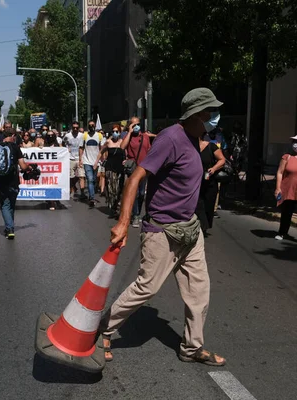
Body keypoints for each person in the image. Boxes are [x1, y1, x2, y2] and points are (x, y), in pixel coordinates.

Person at [100, 88, 227, 367]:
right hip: (162, 231)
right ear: (196, 114)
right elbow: (135, 179)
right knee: (147, 287)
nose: (214, 117)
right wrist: (123, 224)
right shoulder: (171, 139)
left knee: (199, 290)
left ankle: (192, 348)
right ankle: (104, 330)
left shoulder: (197, 139)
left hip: (190, 231)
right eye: (210, 113)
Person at [0, 130, 32, 239]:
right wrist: (29, 167)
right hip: (13, 180)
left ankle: (9, 227)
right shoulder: (15, 147)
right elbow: (23, 166)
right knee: (11, 204)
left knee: (4, 204)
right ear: (13, 136)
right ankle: (10, 227)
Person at [121, 117, 152, 227]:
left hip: (144, 167)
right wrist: (129, 132)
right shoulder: (128, 137)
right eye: (133, 125)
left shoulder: (145, 137)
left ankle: (138, 213)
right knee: (136, 192)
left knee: (142, 193)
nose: (136, 127)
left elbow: (149, 150)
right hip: (133, 168)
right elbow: (122, 146)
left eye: (137, 124)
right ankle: (135, 216)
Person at [195, 133, 225, 235]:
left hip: (209, 181)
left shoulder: (211, 146)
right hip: (195, 182)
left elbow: (222, 160)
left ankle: (205, 226)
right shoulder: (191, 147)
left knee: (208, 205)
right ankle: (199, 226)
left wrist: (213, 168)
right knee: (197, 204)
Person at [95, 125, 125, 218]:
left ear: (120, 132)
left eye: (116, 131)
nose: (115, 133)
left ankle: (118, 206)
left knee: (119, 189)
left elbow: (126, 152)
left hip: (120, 168)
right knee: (111, 189)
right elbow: (101, 152)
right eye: (113, 131)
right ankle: (112, 208)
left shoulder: (122, 142)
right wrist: (96, 162)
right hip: (110, 168)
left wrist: (126, 160)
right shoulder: (108, 142)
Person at [81, 120, 105, 208]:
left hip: (96, 161)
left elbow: (102, 148)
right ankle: (91, 198)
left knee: (94, 180)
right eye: (90, 125)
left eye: (93, 125)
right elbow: (81, 148)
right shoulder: (84, 135)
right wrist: (80, 159)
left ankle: (92, 193)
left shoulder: (99, 135)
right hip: (87, 161)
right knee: (90, 179)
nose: (91, 127)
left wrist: (102, 159)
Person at [63, 122, 86, 200]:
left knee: (81, 176)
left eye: (77, 128)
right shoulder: (67, 136)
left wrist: (82, 158)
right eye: (74, 128)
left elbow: (84, 146)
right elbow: (63, 143)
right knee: (71, 177)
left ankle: (82, 193)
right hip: (70, 158)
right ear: (71, 128)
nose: (75, 129)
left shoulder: (82, 136)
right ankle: (72, 190)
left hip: (80, 158)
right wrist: (66, 149)